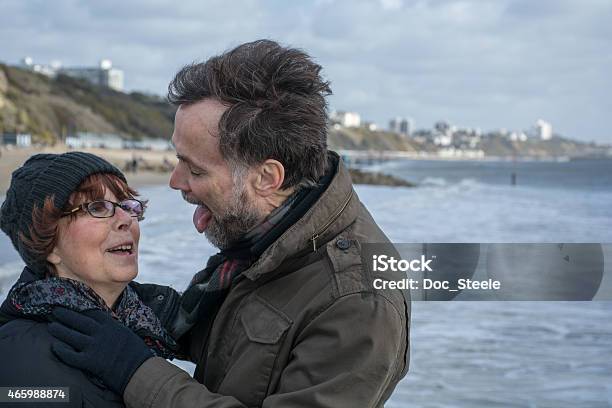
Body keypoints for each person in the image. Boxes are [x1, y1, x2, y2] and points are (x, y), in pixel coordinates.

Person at [49, 40, 411, 407]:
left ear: (267, 178)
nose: (174, 180)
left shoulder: (360, 302)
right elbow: (235, 340)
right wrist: (129, 303)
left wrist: (133, 370)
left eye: (195, 169)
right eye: (178, 159)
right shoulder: (270, 235)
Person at [0, 152, 177, 407]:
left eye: (127, 206)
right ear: (49, 245)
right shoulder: (18, 358)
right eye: (96, 207)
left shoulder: (143, 325)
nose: (126, 219)